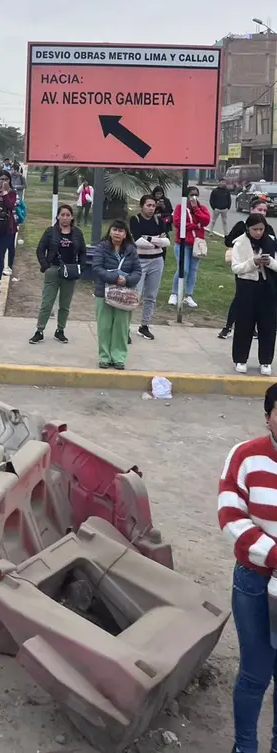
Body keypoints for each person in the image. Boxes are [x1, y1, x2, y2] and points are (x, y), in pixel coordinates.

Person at [218, 382, 277, 753]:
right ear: (268, 416)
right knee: (255, 675)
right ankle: (244, 747)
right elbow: (230, 517)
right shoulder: (245, 456)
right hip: (255, 582)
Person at [30, 204, 86, 345]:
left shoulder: (77, 233)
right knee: (47, 302)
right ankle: (39, 330)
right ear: (58, 216)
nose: (65, 217)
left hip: (70, 272)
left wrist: (81, 267)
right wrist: (45, 266)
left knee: (65, 304)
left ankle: (60, 330)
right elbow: (40, 249)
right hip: (53, 270)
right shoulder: (50, 232)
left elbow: (83, 252)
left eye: (68, 215)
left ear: (72, 217)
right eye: (62, 215)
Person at [219, 196, 273, 340]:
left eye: (264, 210)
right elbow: (229, 241)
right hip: (244, 270)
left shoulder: (269, 229)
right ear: (251, 210)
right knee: (239, 299)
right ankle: (229, 326)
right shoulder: (241, 225)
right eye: (259, 209)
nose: (262, 212)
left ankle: (255, 327)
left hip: (264, 273)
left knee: (263, 302)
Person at [230, 214, 277, 375]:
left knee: (268, 326)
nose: (258, 233)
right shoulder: (240, 243)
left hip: (268, 288)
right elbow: (236, 268)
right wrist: (252, 263)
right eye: (255, 229)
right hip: (247, 287)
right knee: (244, 324)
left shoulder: (270, 241)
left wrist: (269, 262)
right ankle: (240, 359)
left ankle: (265, 361)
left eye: (261, 229)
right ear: (248, 229)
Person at [92, 220, 142, 369]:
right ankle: (104, 357)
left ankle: (118, 357)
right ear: (110, 231)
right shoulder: (102, 247)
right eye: (114, 230)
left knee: (121, 327)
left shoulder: (131, 250)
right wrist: (114, 278)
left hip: (124, 294)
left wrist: (126, 280)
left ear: (125, 234)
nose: (117, 233)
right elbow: (96, 267)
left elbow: (138, 271)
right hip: (104, 292)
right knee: (104, 326)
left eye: (120, 231)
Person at [129, 194, 170, 341]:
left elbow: (166, 241)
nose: (151, 208)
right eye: (148, 205)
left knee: (151, 296)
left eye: (153, 206)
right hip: (140, 261)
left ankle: (144, 325)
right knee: (135, 294)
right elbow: (137, 240)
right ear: (142, 206)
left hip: (157, 260)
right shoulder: (136, 220)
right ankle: (126, 326)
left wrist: (149, 239)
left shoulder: (159, 220)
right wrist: (155, 240)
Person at [168, 187, 210, 308]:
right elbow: (178, 223)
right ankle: (174, 293)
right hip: (182, 244)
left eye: (196, 195)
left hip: (196, 245)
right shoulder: (180, 208)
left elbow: (205, 221)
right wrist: (195, 225)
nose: (194, 197)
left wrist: (196, 208)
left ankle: (189, 295)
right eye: (191, 195)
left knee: (193, 270)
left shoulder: (202, 208)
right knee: (183, 269)